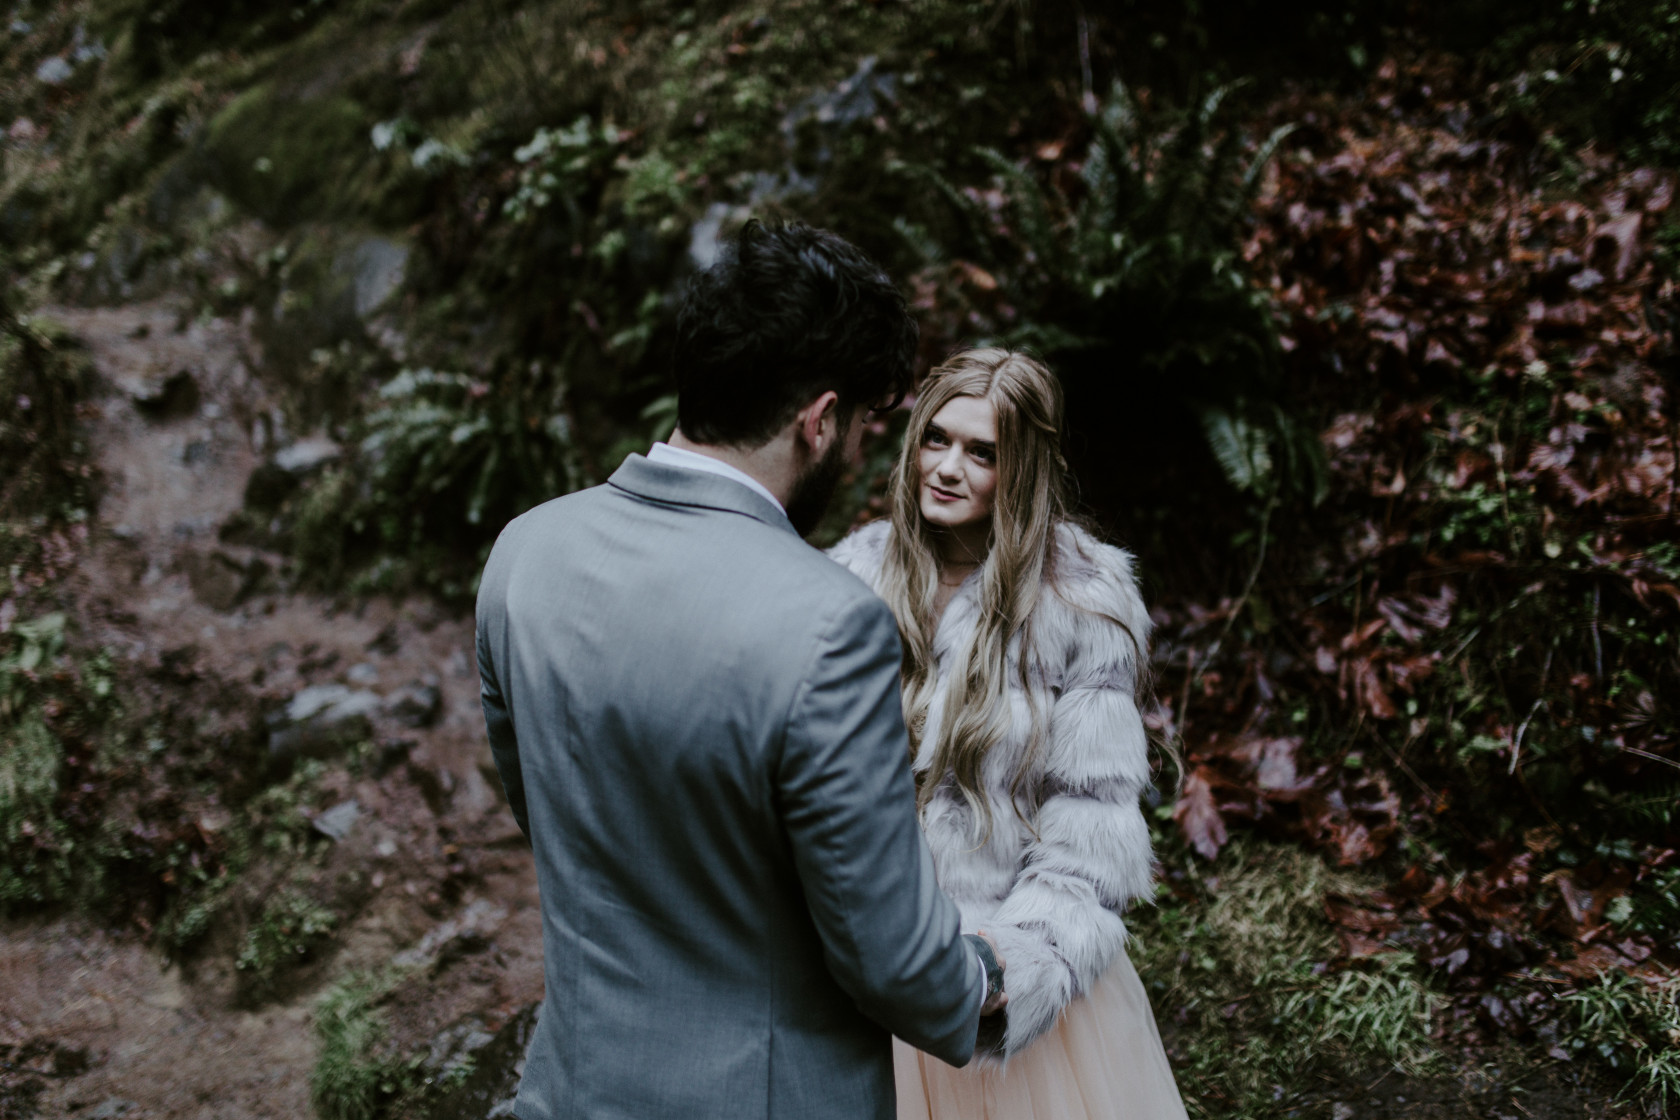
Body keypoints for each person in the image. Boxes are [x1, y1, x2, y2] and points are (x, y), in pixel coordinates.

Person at [475, 220, 1006, 1120]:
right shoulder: (830, 627)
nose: (858, 458)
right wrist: (988, 973)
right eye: (865, 431)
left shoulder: (525, 553)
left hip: (568, 1089)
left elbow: (552, 813)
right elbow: (892, 956)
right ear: (821, 419)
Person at [828, 348, 1188, 1120]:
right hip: (864, 966)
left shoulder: (1082, 603)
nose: (948, 467)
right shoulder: (851, 580)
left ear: (1021, 468)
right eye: (936, 439)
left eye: (981, 452)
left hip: (995, 969)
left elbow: (1092, 830)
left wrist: (1010, 965)